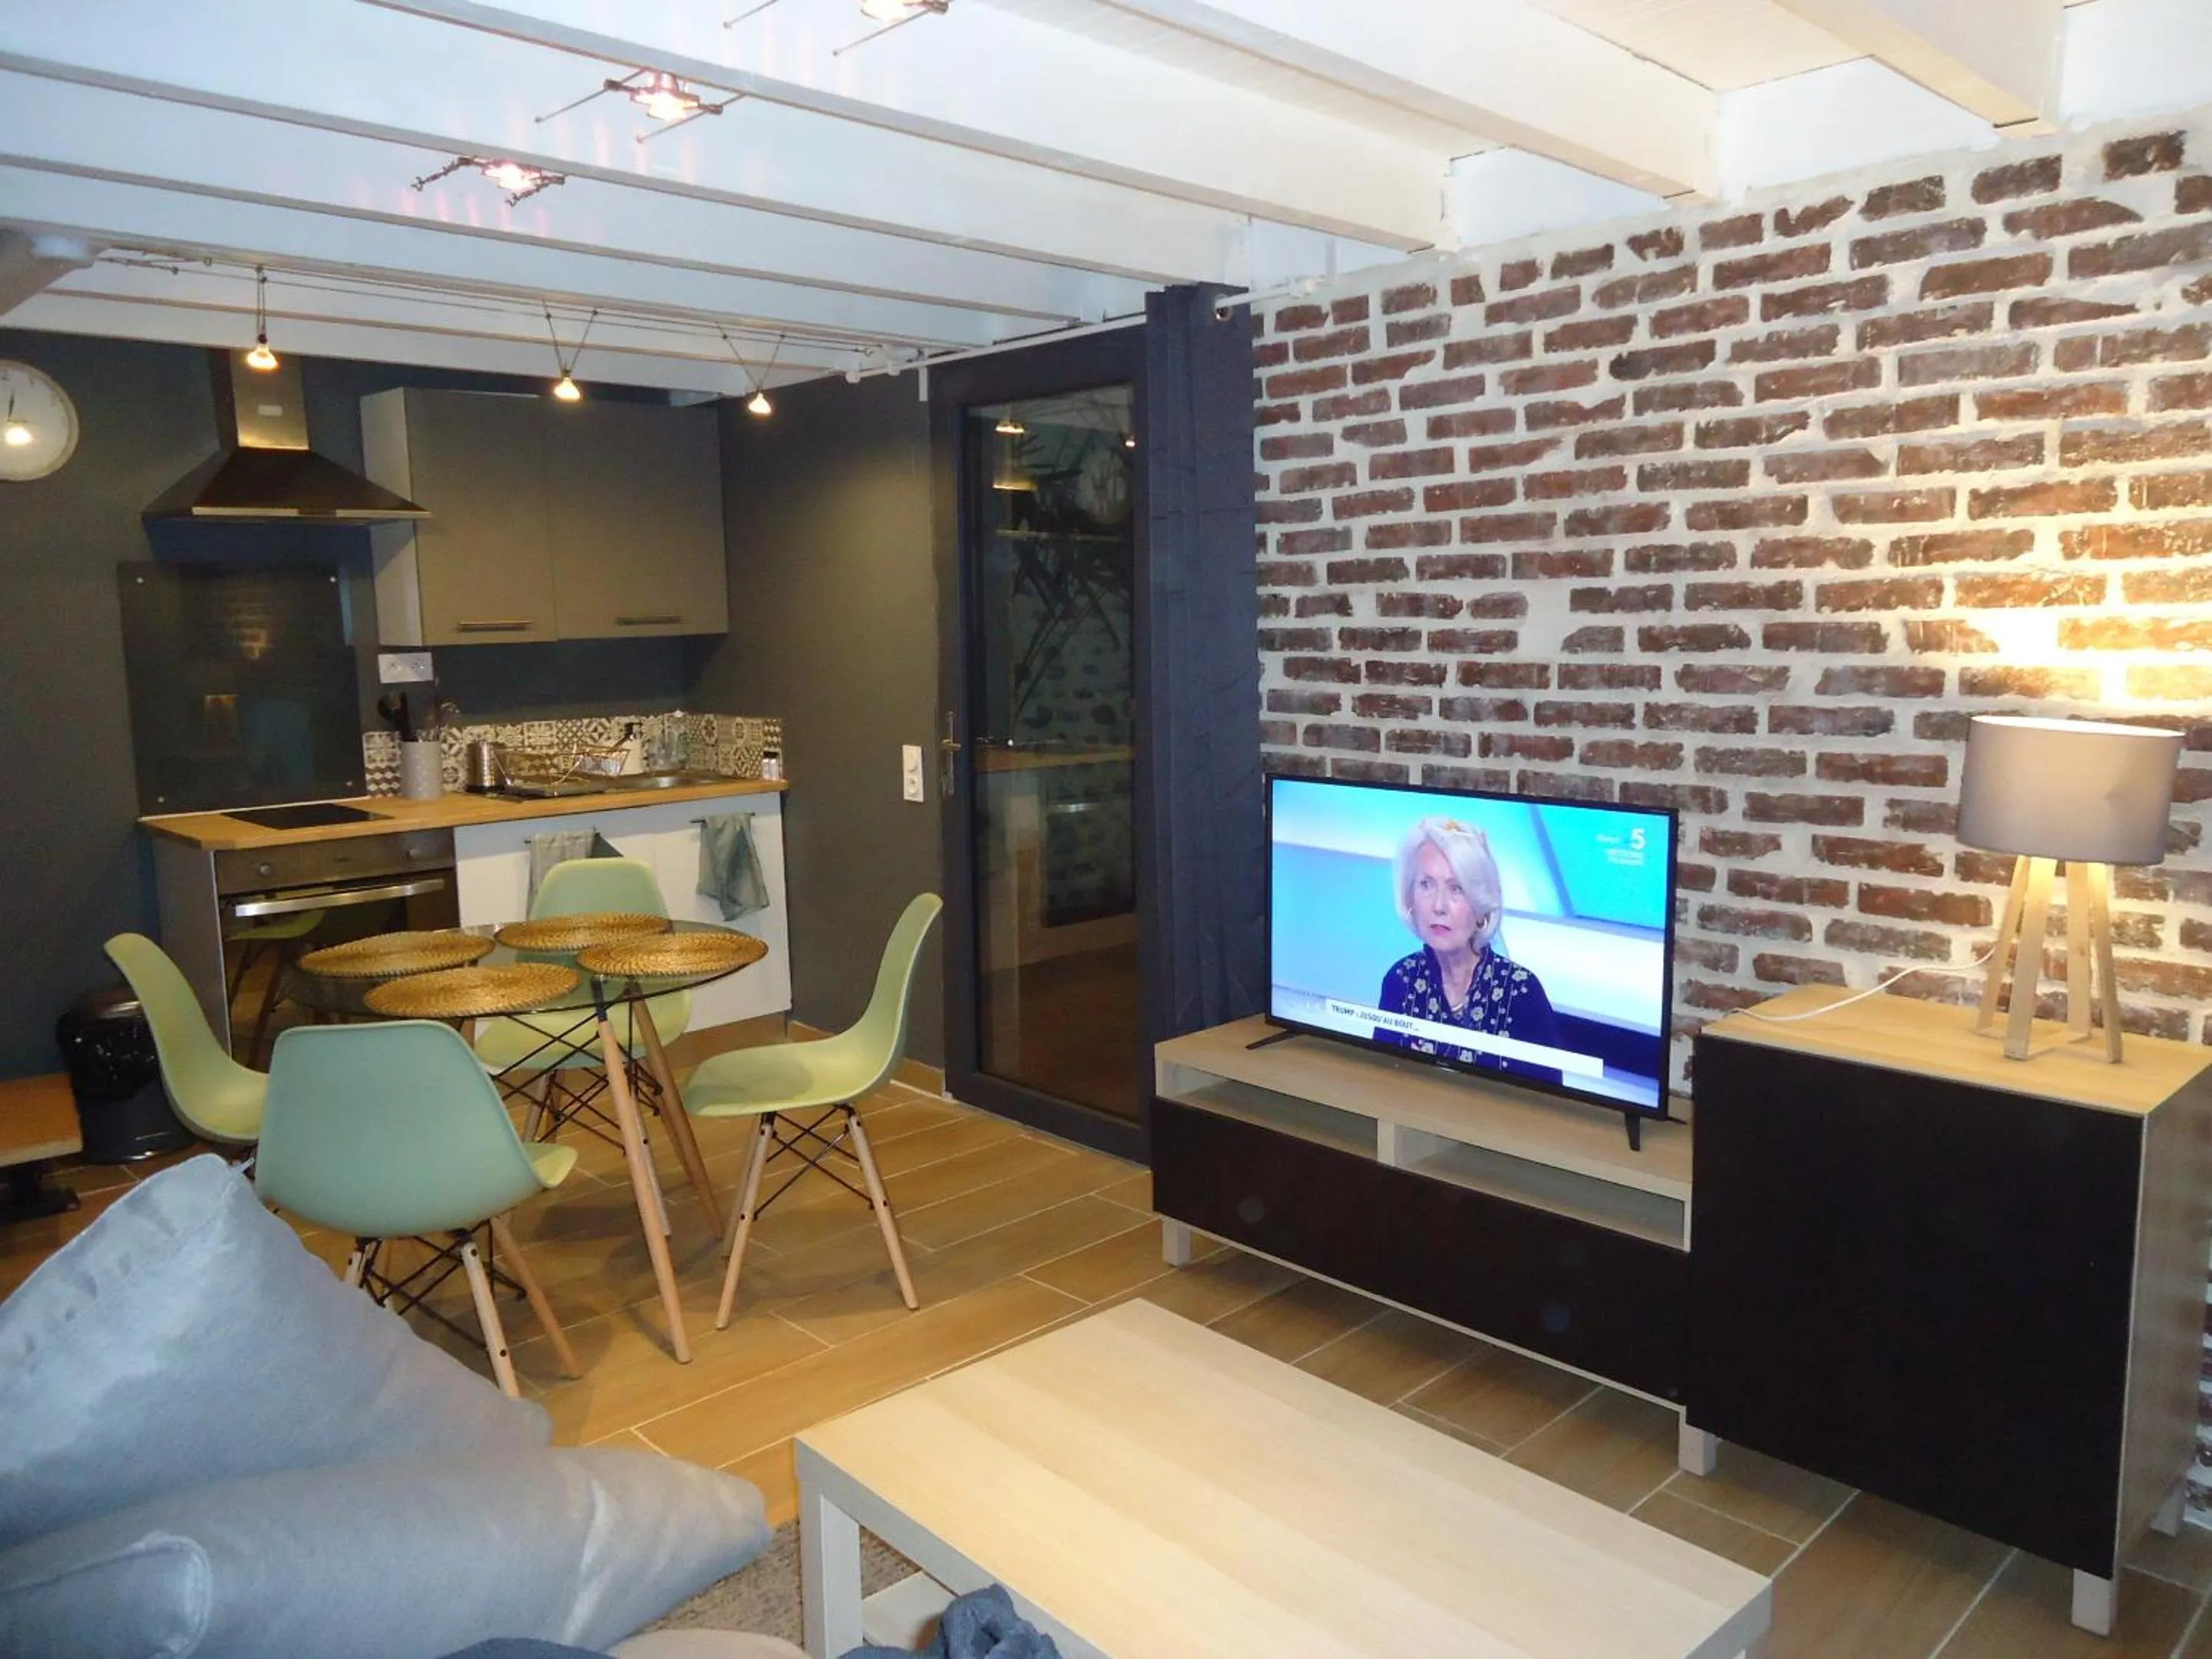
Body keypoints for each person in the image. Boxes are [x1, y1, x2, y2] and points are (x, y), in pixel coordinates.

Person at [1374, 816, 1562, 1084]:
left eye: (1457, 889)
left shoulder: (1522, 993)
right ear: (1410, 898)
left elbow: (1546, 1100)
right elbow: (1381, 1081)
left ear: (1481, 905)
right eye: (1426, 884)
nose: (1439, 906)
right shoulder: (1401, 980)